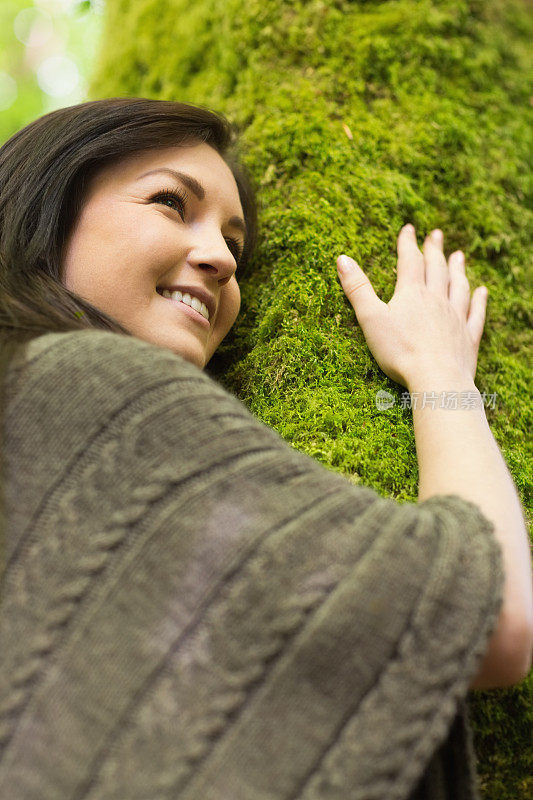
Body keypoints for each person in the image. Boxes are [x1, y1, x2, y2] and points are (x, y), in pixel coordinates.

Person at [0, 97, 530, 800]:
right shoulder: (87, 380)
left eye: (236, 245)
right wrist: (440, 373)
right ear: (49, 205)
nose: (221, 259)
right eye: (169, 202)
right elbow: (493, 613)